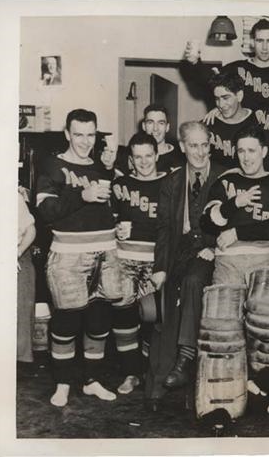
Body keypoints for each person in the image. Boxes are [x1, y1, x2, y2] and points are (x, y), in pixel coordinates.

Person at [36, 108, 122, 407]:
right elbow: (45, 212)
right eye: (79, 134)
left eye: (91, 134)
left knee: (99, 323)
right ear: (67, 134)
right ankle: (62, 384)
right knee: (66, 323)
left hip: (107, 253)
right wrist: (81, 196)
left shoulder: (102, 167)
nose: (85, 141)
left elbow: (111, 206)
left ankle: (92, 381)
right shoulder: (52, 165)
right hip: (69, 255)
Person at [144, 121, 225, 410]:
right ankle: (156, 389)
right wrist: (160, 268)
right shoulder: (172, 182)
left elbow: (235, 221)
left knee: (192, 282)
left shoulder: (224, 176)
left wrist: (214, 248)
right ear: (182, 147)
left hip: (211, 255)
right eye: (193, 145)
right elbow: (164, 230)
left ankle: (184, 360)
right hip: (179, 254)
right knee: (165, 309)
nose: (200, 152)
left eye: (205, 144)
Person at [110, 132, 168, 395]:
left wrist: (162, 265)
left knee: (153, 316)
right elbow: (107, 219)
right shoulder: (120, 184)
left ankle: (150, 369)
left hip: (156, 261)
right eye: (137, 157)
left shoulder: (171, 184)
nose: (143, 162)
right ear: (131, 159)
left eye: (148, 156)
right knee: (123, 314)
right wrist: (115, 230)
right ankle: (130, 372)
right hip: (124, 257)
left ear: (157, 155)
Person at [201, 125, 269, 284]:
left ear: (263, 152)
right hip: (229, 264)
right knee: (221, 308)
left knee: (267, 307)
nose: (246, 158)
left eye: (251, 151)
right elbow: (207, 223)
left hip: (267, 262)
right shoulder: (225, 180)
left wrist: (236, 233)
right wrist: (235, 203)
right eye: (241, 151)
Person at [186, 18, 269, 113]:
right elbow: (211, 80)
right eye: (260, 41)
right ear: (252, 42)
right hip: (243, 127)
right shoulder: (237, 68)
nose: (264, 47)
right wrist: (195, 62)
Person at [207, 72, 259, 169]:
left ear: (239, 96)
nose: (221, 104)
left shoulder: (258, 122)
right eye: (217, 99)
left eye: (226, 98)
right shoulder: (208, 125)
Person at [17, 187, 36, 363]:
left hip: (17, 253)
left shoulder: (14, 197)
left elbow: (30, 231)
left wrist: (16, 252)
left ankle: (19, 356)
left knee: (21, 301)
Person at [142, 104, 185, 173]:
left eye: (161, 123)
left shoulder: (180, 157)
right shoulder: (137, 157)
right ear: (144, 126)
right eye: (150, 122)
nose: (155, 128)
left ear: (167, 127)